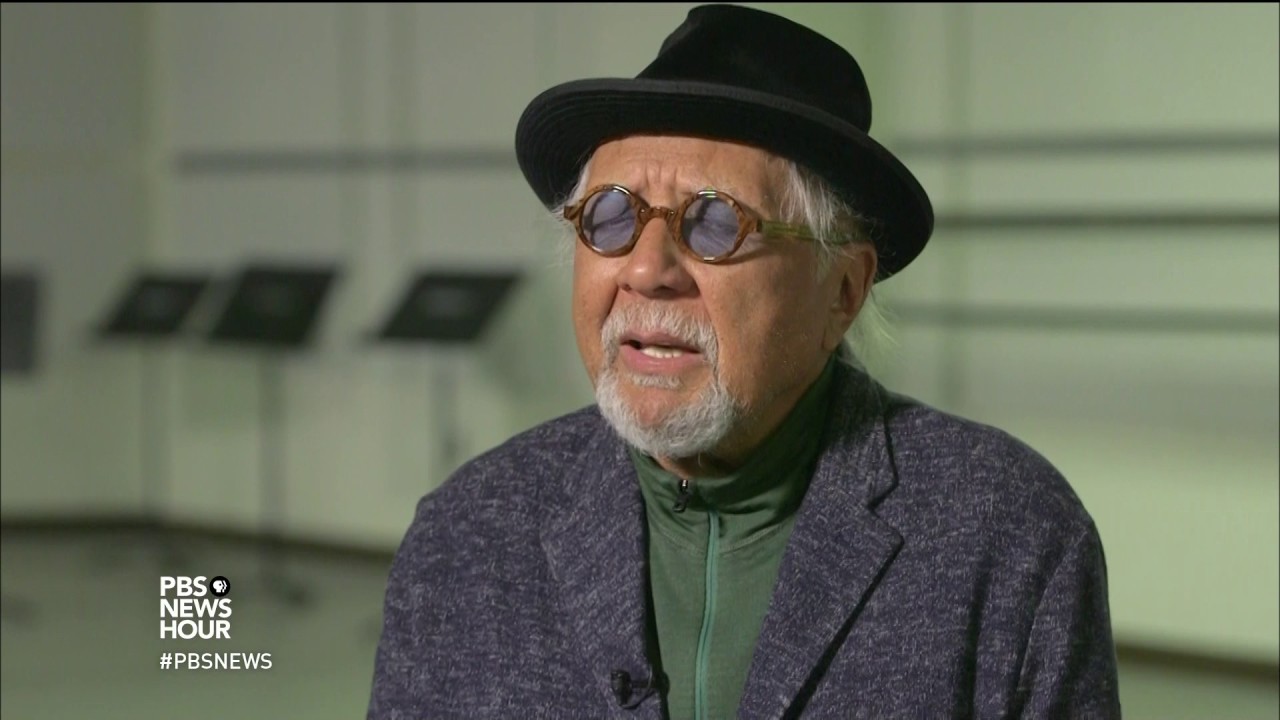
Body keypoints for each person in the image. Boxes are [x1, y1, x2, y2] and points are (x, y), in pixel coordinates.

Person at [368, 4, 1121, 719]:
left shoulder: (1010, 537)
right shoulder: (463, 537)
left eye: (714, 221)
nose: (646, 269)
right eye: (611, 215)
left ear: (843, 290)